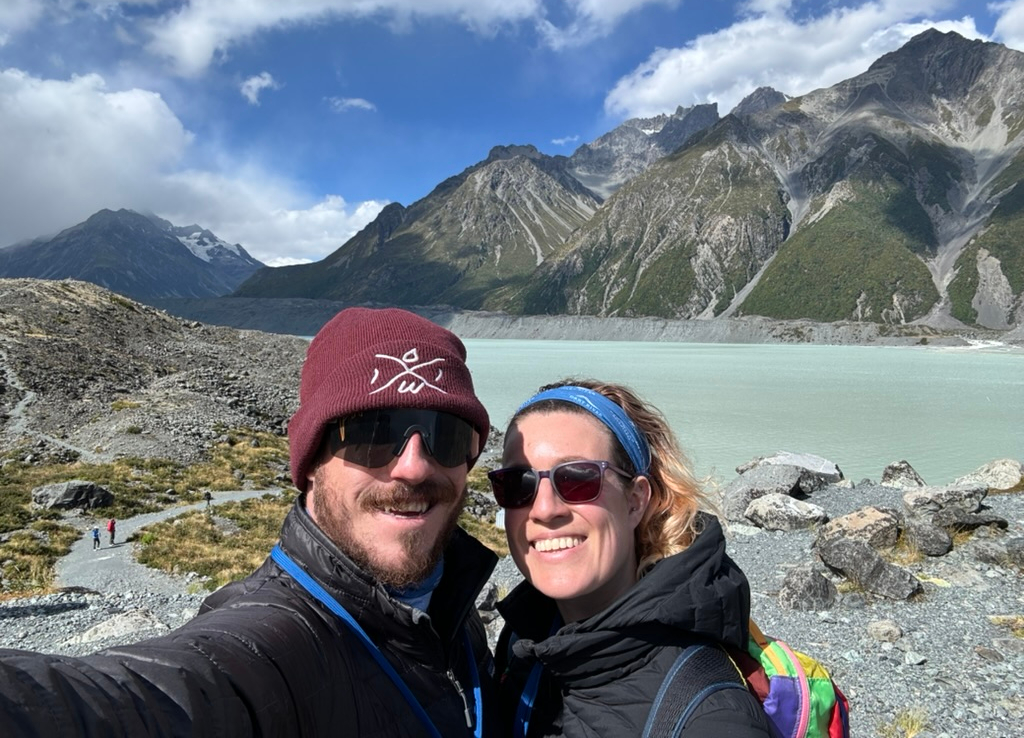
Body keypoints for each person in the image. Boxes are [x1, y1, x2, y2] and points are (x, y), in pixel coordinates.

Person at [0, 307, 497, 737]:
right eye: (372, 432)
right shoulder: (272, 645)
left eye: (446, 435)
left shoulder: (450, 594)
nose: (414, 466)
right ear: (310, 463)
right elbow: (150, 697)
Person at [490, 379, 774, 737]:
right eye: (517, 483)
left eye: (578, 479)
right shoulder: (523, 644)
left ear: (636, 501)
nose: (544, 509)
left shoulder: (711, 718)